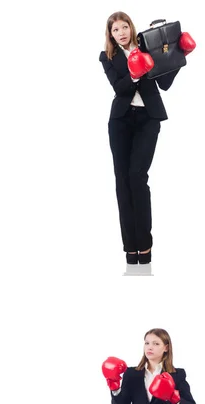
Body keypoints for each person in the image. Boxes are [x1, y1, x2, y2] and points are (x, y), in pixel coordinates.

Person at [99, 12, 195, 264]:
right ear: (110, 34)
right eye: (115, 29)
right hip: (120, 121)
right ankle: (130, 247)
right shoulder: (107, 56)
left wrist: (178, 57)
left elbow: (164, 83)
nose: (120, 32)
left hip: (148, 119)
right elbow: (119, 88)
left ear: (131, 27)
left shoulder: (148, 45)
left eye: (124, 26)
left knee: (137, 177)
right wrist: (133, 73)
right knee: (123, 181)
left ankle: (145, 245)